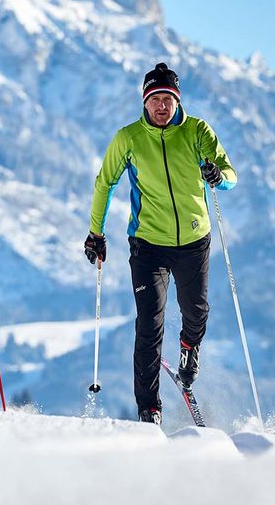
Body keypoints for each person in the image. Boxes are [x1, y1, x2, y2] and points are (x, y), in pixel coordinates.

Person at [85, 63, 237, 424]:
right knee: (149, 324)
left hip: (193, 240)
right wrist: (96, 232)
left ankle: (188, 348)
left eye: (167, 99)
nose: (162, 106)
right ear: (145, 102)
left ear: (177, 101)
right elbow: (105, 183)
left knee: (196, 311)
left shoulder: (197, 131)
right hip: (148, 244)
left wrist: (218, 176)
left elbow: (230, 176)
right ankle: (149, 408)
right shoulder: (129, 138)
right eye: (155, 99)